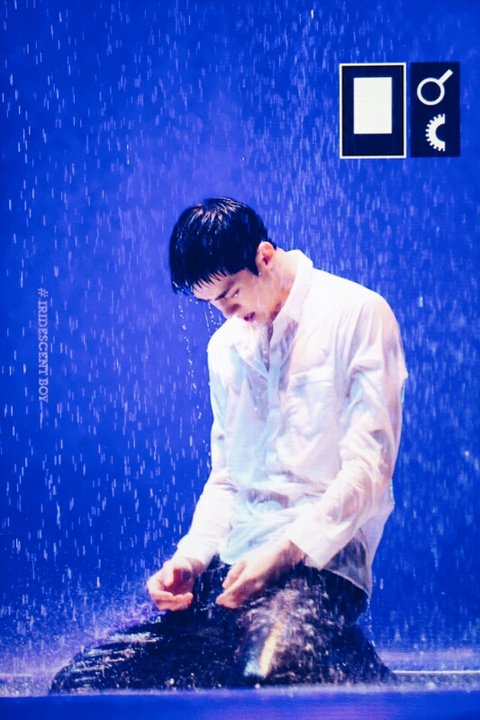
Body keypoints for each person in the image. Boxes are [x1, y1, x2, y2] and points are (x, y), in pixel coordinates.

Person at [51, 197, 407, 692]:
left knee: (263, 678)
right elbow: (228, 480)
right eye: (212, 303)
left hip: (322, 565)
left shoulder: (357, 313)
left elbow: (370, 471)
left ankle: (338, 660)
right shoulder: (225, 347)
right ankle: (329, 653)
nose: (227, 312)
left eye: (231, 293)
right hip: (236, 567)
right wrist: (190, 560)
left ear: (265, 256)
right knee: (83, 684)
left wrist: (282, 553)